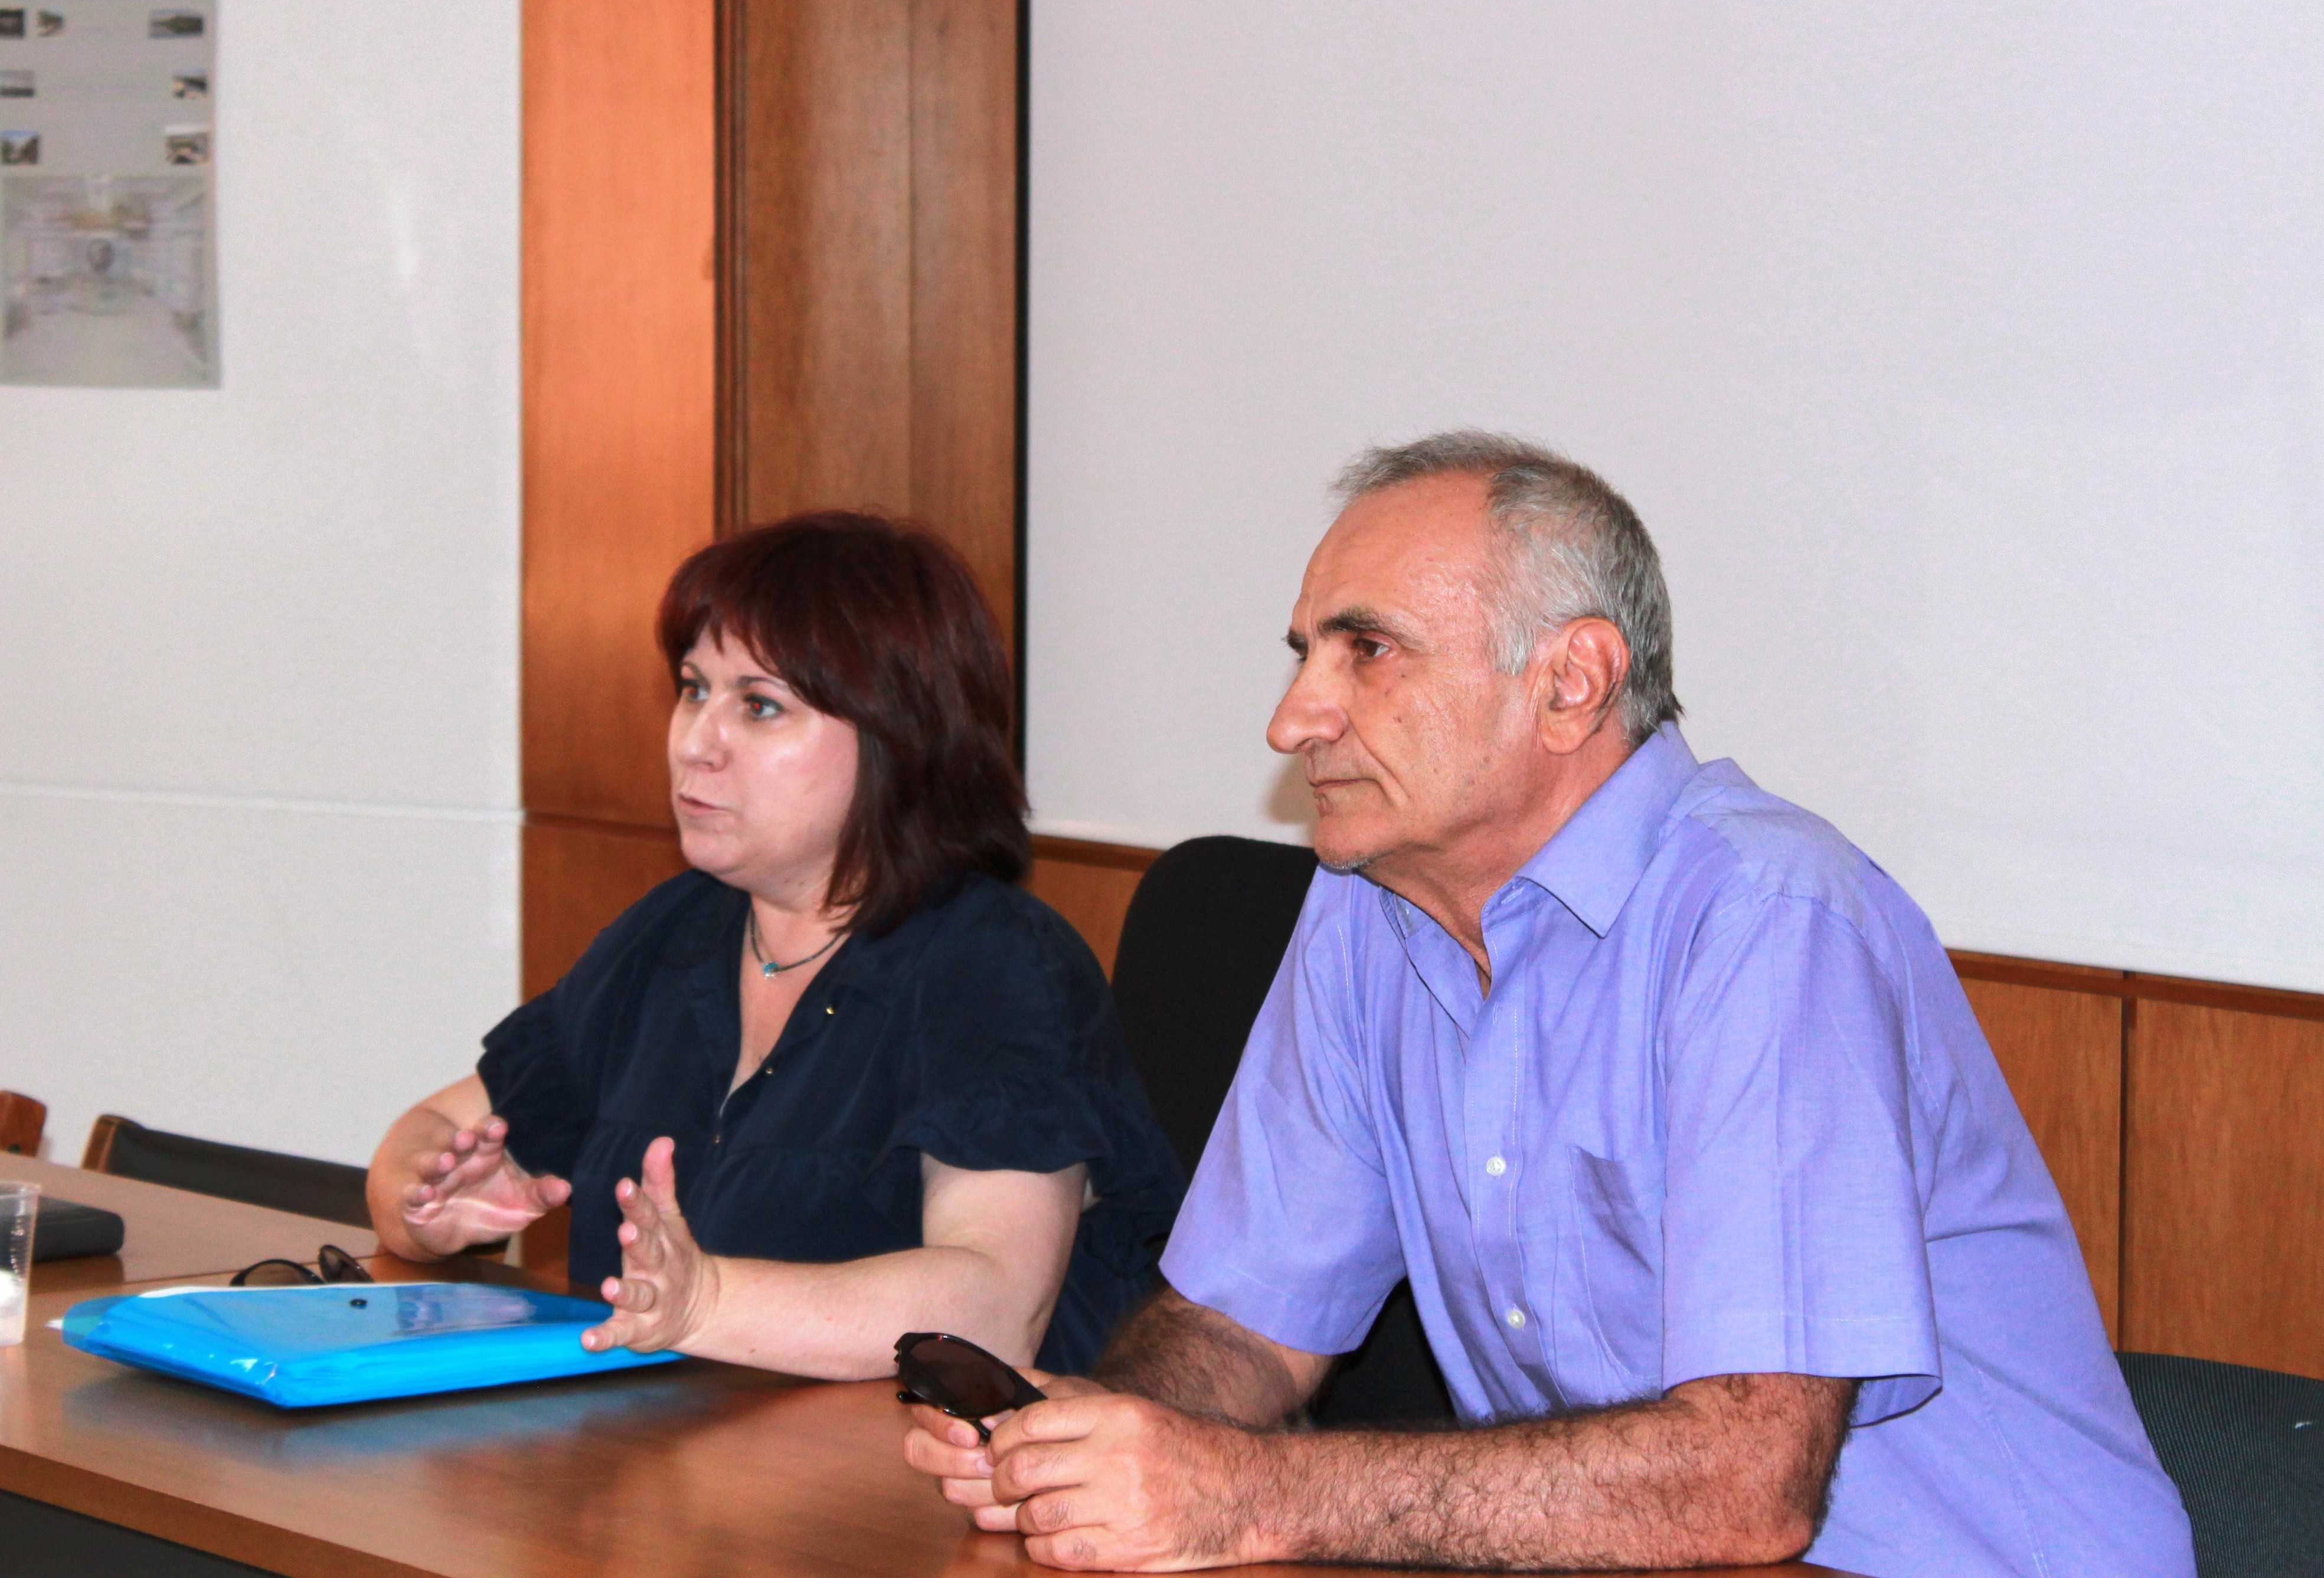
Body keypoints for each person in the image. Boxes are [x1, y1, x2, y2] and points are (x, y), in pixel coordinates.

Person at [904, 433, 2194, 1575]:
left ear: (1571, 681)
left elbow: (1744, 1481)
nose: (1293, 719)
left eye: (1367, 650)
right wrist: (1086, 1446)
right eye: (1305, 655)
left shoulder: (1766, 919)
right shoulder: (1367, 907)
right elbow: (1241, 1324)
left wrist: (1241, 1493)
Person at [367, 512, 1183, 1378]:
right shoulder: (677, 929)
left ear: (900, 738)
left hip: (911, 1458)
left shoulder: (994, 964)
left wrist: (704, 1302)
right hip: (650, 1444)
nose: (695, 743)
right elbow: (433, 1130)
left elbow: (990, 1309)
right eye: (693, 690)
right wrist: (425, 1203)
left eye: (759, 706)